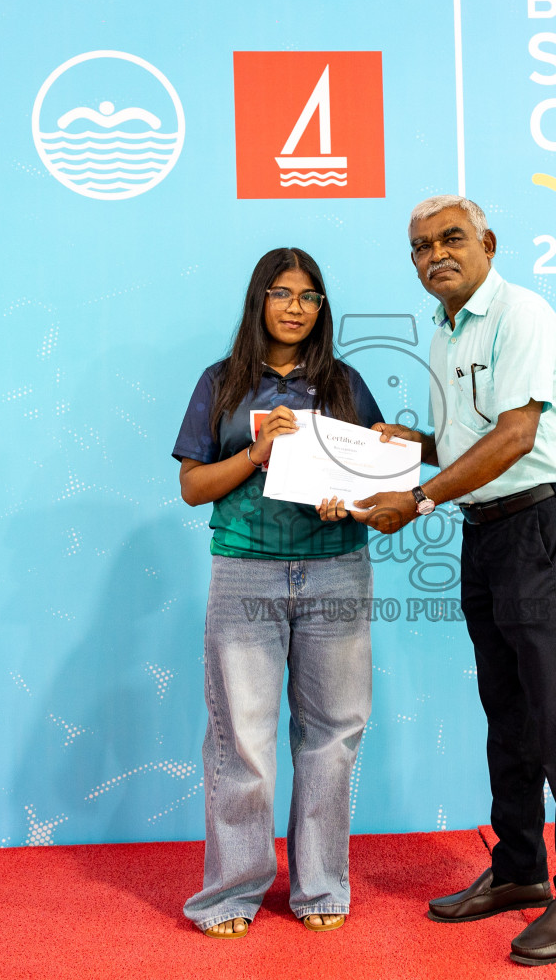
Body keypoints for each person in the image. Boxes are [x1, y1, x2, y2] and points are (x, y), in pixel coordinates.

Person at [352, 197, 556, 966]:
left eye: (451, 239)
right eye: (419, 246)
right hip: (485, 529)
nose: (435, 254)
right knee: (507, 707)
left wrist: (422, 495)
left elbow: (518, 434)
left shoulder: (522, 314)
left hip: (540, 525)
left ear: (488, 244)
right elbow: (474, 436)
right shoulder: (443, 331)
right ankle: (522, 870)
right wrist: (418, 446)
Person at [172, 247, 384, 939]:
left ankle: (321, 886)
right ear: (258, 300)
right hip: (246, 569)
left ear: (322, 309)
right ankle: (231, 892)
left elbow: (376, 486)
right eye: (282, 292)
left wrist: (347, 504)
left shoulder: (346, 384)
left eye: (309, 296)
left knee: (333, 735)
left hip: (336, 569)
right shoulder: (221, 382)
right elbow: (192, 487)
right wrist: (255, 456)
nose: (295, 307)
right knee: (243, 738)